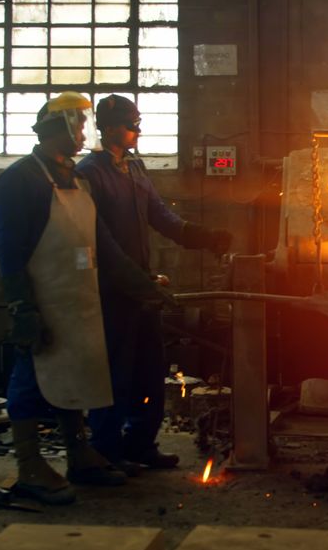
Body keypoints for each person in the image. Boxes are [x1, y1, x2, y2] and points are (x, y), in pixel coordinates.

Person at [0, 92, 172, 503]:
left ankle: (79, 455)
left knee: (71, 375)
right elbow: (9, 250)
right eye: (77, 125)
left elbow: (103, 245)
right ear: (56, 128)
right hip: (42, 301)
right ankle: (30, 467)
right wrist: (21, 307)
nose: (82, 133)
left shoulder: (72, 176)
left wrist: (146, 287)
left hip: (77, 299)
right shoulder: (20, 179)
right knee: (29, 380)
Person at [77, 94, 231, 472]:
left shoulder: (135, 168)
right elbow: (100, 240)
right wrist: (132, 279)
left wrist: (202, 235)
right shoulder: (90, 173)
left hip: (141, 287)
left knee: (149, 367)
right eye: (131, 124)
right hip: (112, 290)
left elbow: (160, 215)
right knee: (115, 372)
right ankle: (108, 450)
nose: (137, 131)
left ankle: (140, 443)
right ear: (110, 127)